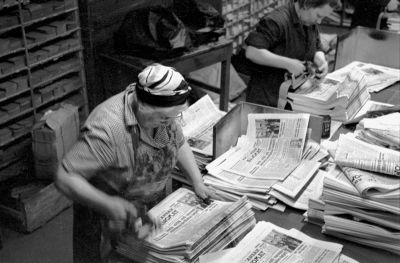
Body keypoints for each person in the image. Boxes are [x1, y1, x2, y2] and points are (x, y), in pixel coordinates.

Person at [55, 63, 217, 263]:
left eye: (174, 117)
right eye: (164, 118)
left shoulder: (162, 113)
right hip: (104, 212)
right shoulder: (108, 129)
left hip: (139, 206)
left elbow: (178, 141)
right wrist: (108, 204)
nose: (170, 121)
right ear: (142, 106)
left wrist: (197, 181)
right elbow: (64, 177)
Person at [244, 0, 340, 107]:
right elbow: (252, 52)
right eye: (318, 15)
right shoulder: (276, 21)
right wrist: (288, 63)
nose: (319, 21)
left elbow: (316, 46)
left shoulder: (308, 22)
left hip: (291, 95)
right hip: (267, 98)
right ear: (306, 5)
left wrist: (321, 60)